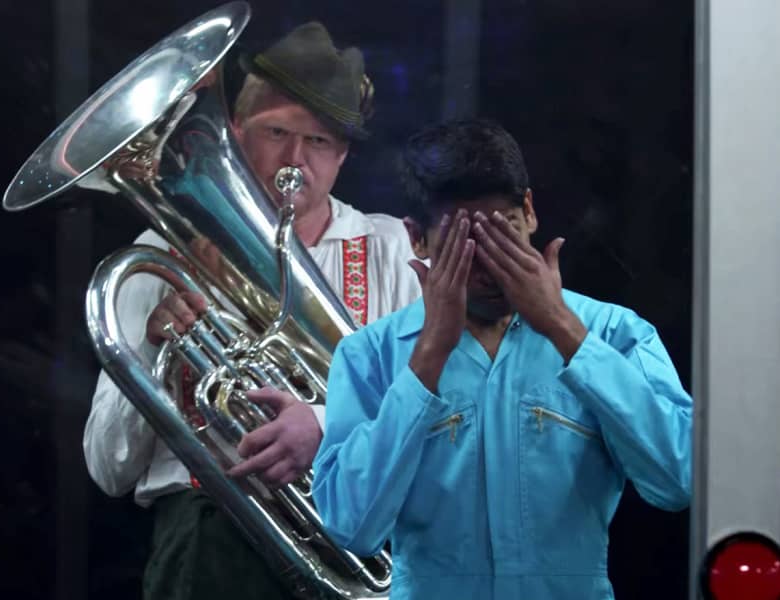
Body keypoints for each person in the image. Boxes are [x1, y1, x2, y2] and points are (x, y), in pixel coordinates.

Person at [82, 21, 422, 600]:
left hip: (356, 531)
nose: (295, 158)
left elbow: (428, 414)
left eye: (318, 141)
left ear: (342, 155)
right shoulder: (163, 253)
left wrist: (320, 422)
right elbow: (106, 469)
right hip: (206, 541)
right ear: (235, 134)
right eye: (277, 132)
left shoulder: (389, 249)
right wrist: (152, 353)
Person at [312, 117, 692, 600]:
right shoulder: (370, 355)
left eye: (503, 232)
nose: (490, 264)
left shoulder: (615, 333)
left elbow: (677, 479)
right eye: (464, 242)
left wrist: (563, 327)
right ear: (417, 239)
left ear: (529, 211)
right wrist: (428, 358)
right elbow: (351, 526)